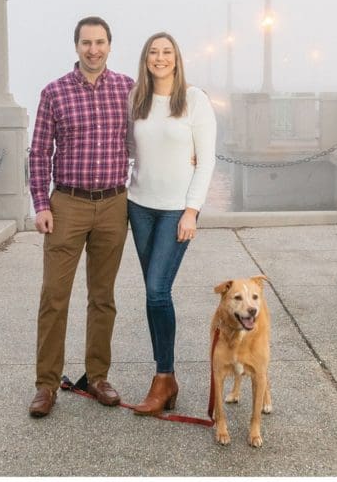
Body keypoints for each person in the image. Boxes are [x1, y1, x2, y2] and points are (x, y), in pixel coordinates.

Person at [27, 16, 136, 418]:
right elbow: (39, 152)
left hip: (113, 204)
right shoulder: (54, 93)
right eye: (86, 42)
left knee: (103, 298)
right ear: (76, 46)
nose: (94, 49)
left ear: (110, 45)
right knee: (54, 297)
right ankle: (46, 384)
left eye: (100, 42)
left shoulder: (128, 89)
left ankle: (97, 376)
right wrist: (41, 203)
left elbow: (149, 136)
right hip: (67, 204)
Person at [125, 32, 217, 415]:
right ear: (146, 59)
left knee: (157, 290)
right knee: (153, 293)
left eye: (167, 52)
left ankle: (164, 378)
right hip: (139, 206)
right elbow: (129, 150)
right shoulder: (137, 100)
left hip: (176, 211)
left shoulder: (194, 101)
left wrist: (192, 211)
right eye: (153, 52)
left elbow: (207, 159)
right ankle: (165, 377)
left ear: (177, 59)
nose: (160, 58)